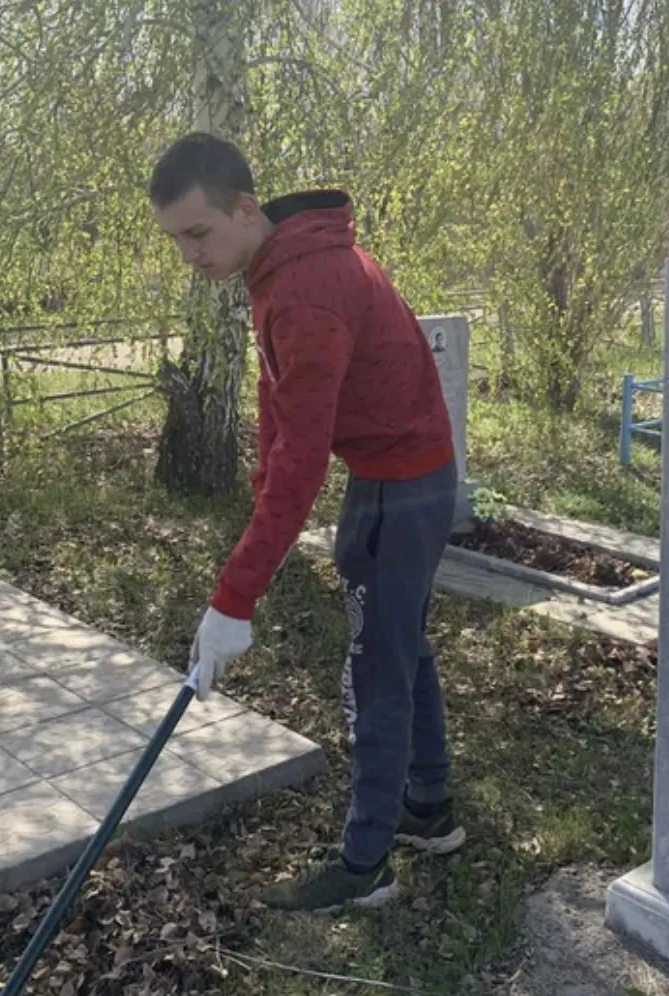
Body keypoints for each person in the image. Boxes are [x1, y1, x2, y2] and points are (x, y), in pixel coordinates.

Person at [148, 132, 466, 910]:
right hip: (407, 473)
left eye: (198, 233)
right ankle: (427, 807)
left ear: (244, 208)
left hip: (397, 488)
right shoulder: (284, 261)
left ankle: (365, 865)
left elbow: (303, 461)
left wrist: (234, 597)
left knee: (375, 671)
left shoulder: (304, 290)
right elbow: (279, 401)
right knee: (401, 645)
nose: (190, 256)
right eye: (176, 240)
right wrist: (263, 500)